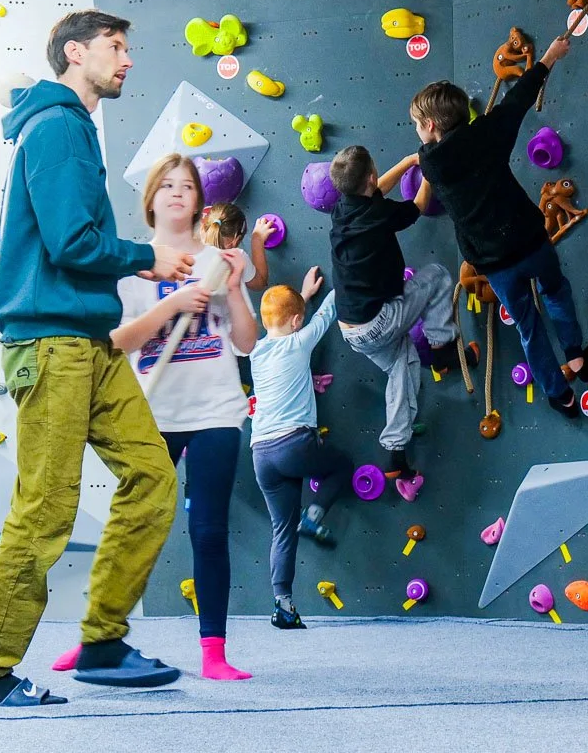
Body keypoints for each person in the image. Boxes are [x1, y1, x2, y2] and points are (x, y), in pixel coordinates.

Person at [0, 10, 190, 707]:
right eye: (115, 47)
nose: (127, 59)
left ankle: (102, 642)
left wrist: (136, 261)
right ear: (74, 52)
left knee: (152, 477)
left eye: (127, 47)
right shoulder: (57, 125)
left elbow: (74, 242)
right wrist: (146, 256)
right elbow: (70, 243)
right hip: (51, 344)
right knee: (46, 509)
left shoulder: (72, 126)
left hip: (89, 341)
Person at [43, 154, 256, 681]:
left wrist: (232, 289)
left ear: (200, 201)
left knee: (208, 530)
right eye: (167, 185)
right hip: (149, 412)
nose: (178, 192)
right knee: (131, 526)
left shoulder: (221, 262)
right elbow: (115, 342)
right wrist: (172, 305)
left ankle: (213, 653)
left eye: (188, 186)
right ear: (151, 199)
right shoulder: (132, 266)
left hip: (216, 411)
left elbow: (247, 342)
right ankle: (96, 637)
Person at [412, 33, 586, 417]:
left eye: (417, 126)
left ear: (430, 125)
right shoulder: (487, 134)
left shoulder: (430, 163)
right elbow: (517, 100)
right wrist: (550, 56)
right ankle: (575, 353)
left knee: (528, 325)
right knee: (556, 290)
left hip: (495, 263)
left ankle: (560, 394)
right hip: (531, 240)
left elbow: (432, 152)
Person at [329, 145, 470, 493]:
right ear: (371, 176)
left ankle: (396, 453)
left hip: (351, 329)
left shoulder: (342, 209)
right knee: (436, 276)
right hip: (379, 320)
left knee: (402, 367)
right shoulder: (380, 214)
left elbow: (376, 189)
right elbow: (417, 206)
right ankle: (442, 350)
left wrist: (408, 162)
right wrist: (428, 173)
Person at [249, 268, 352, 630]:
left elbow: (287, 320)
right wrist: (344, 272)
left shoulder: (256, 351)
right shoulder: (300, 341)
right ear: (296, 322)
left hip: (262, 453)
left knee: (282, 529)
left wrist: (301, 298)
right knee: (342, 466)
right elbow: (329, 311)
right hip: (294, 444)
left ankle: (283, 606)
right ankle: (314, 517)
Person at [202, 200, 272, 291]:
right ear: (235, 240)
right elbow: (259, 284)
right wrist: (257, 240)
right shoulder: (236, 257)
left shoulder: (187, 242)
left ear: (203, 227)